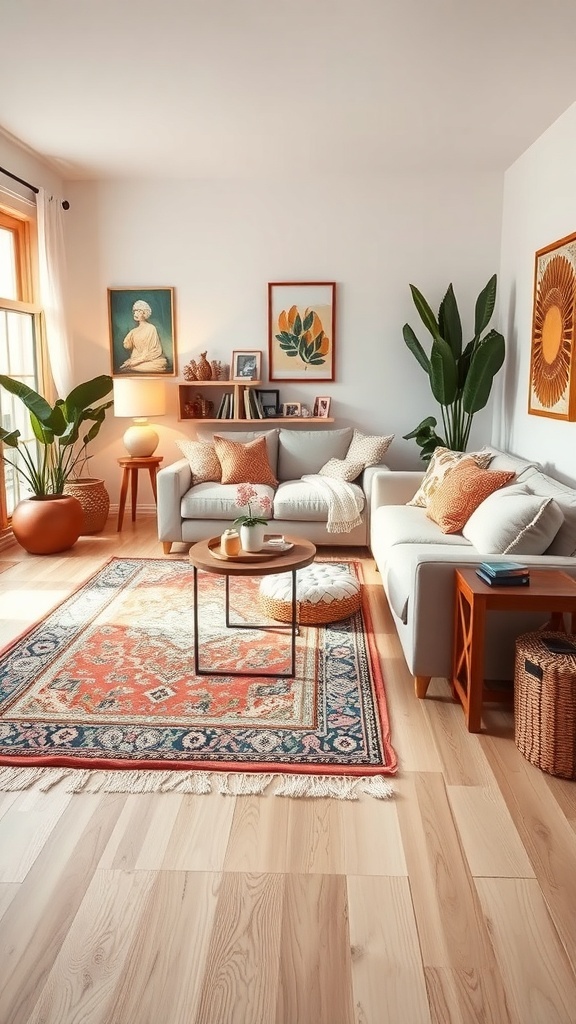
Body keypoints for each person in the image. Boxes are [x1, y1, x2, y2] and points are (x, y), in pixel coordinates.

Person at [119, 300, 168, 372]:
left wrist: (137, 361)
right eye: (135, 311)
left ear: (145, 313)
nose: (136, 313)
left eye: (139, 311)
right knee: (127, 367)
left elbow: (154, 350)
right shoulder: (133, 331)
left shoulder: (151, 328)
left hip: (149, 360)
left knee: (157, 365)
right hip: (136, 359)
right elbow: (127, 345)